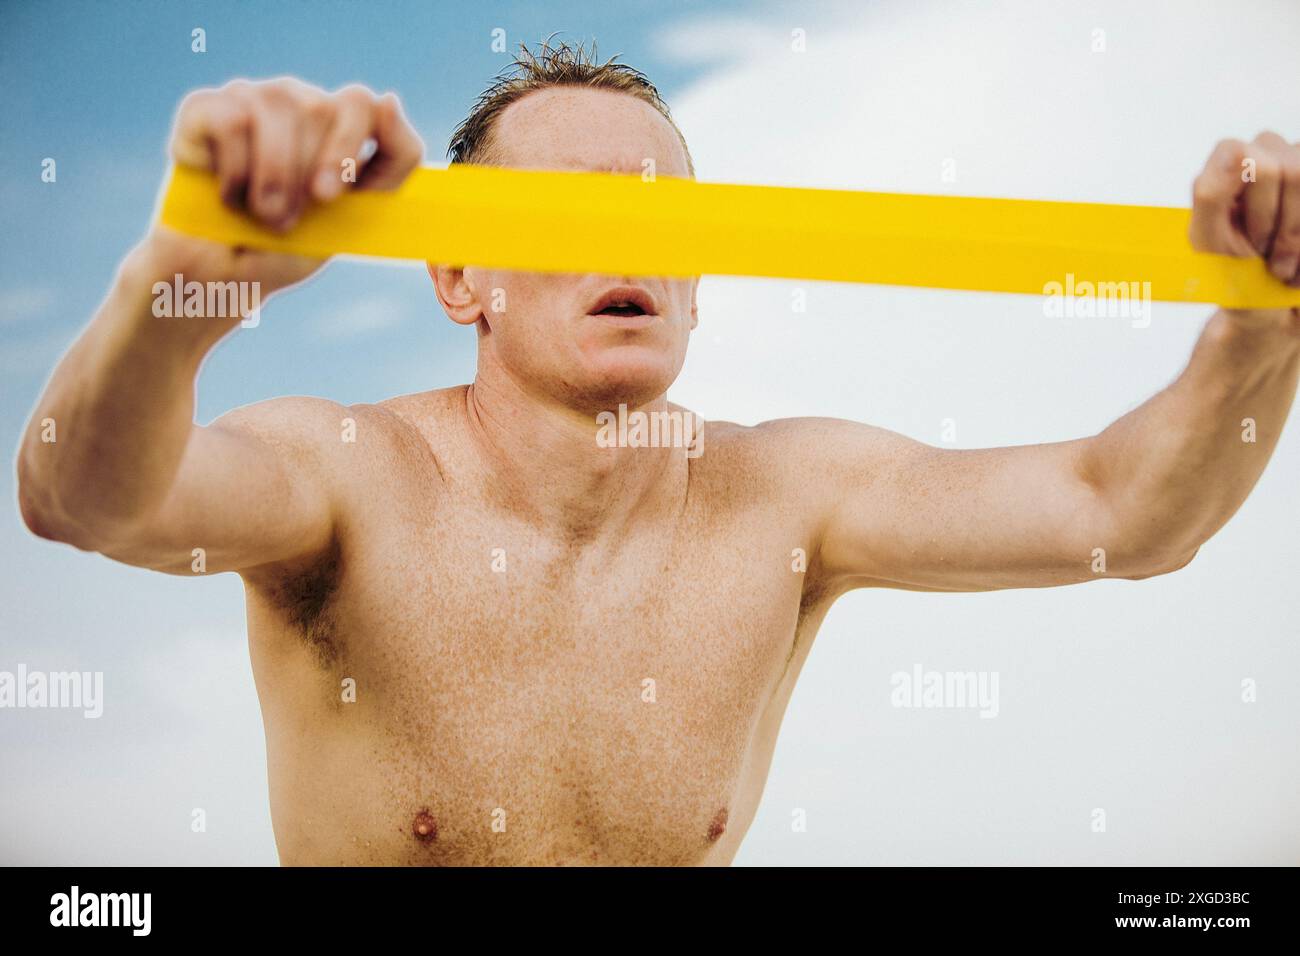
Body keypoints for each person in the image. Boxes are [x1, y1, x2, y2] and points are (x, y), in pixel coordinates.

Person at [16, 41, 1300, 865]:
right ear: (460, 276)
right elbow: (77, 495)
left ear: (700, 277)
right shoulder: (342, 476)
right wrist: (177, 291)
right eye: (570, 209)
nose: (627, 249)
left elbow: (1126, 512)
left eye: (665, 217)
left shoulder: (785, 495)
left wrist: (1263, 319)